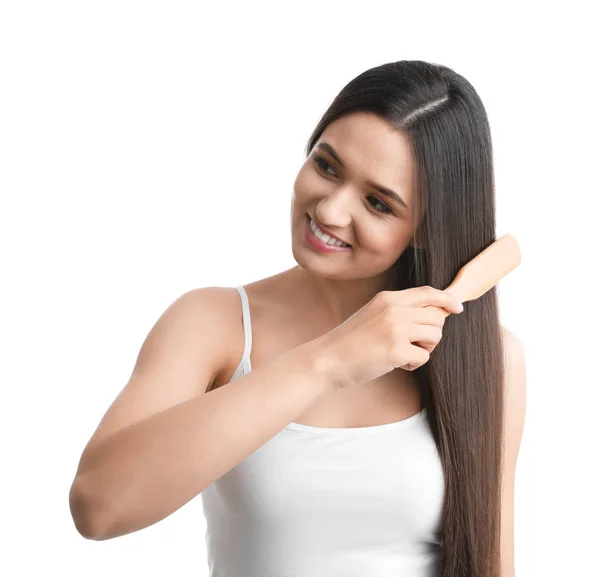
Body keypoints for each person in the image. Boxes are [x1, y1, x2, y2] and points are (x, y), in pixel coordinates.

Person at [69, 60, 526, 577]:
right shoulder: (213, 324)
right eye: (327, 166)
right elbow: (99, 507)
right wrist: (329, 360)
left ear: (426, 228)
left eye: (378, 203)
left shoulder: (488, 357)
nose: (330, 210)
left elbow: (491, 562)